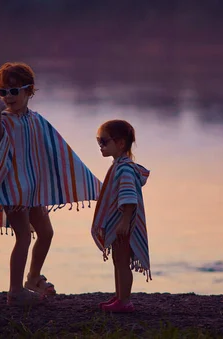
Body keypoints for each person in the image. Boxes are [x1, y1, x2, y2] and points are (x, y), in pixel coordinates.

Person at [0, 62, 102, 306]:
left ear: (29, 91)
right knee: (23, 236)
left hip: (32, 190)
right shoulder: (2, 120)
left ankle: (33, 278)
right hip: (11, 189)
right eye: (2, 92)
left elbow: (55, 151)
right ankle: (15, 291)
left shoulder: (36, 120)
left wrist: (74, 179)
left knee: (46, 233)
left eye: (14, 91)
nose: (8, 97)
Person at [91, 119, 151, 313]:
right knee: (118, 261)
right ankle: (119, 296)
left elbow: (129, 198)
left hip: (123, 224)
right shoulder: (119, 165)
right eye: (98, 141)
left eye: (104, 141)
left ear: (120, 143)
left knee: (123, 262)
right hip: (120, 223)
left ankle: (125, 302)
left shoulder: (124, 168)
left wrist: (124, 221)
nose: (100, 145)